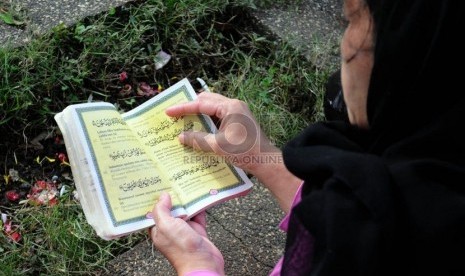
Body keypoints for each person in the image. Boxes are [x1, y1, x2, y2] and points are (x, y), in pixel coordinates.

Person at [149, 0, 465, 275]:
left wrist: (196, 265)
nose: (343, 46)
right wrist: (260, 157)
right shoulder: (426, 197)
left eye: (352, 19)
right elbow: (357, 214)